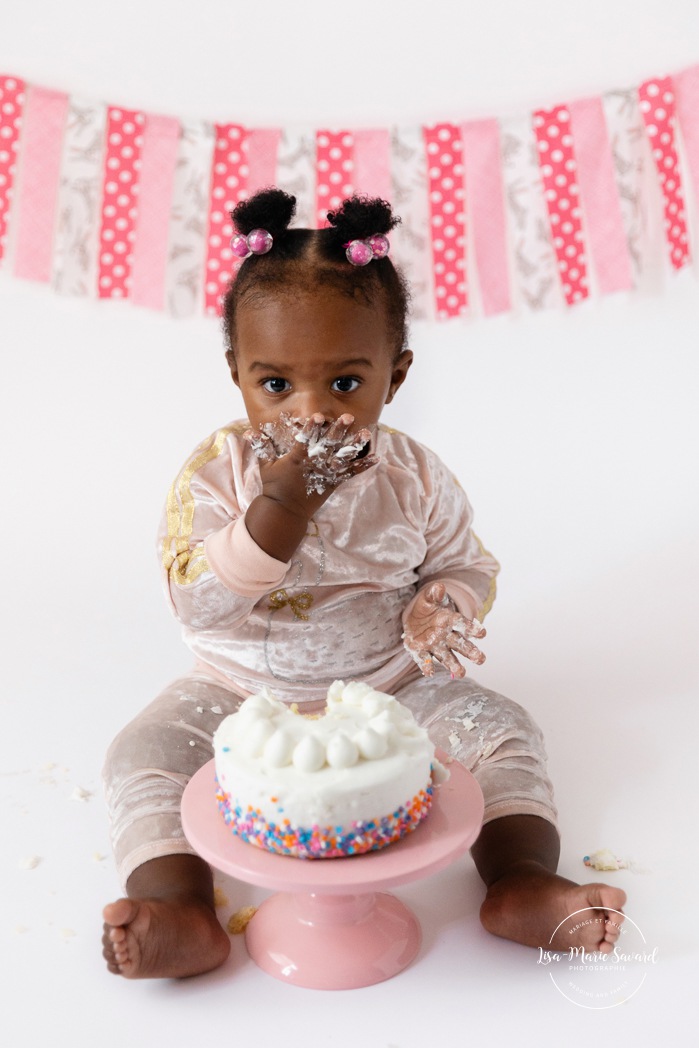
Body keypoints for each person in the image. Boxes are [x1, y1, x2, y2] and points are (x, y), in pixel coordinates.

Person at [102, 189, 626, 979]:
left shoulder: (413, 474)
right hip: (238, 685)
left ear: (395, 373)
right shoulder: (216, 473)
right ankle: (180, 904)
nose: (311, 411)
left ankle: (520, 883)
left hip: (391, 684)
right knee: (141, 753)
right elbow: (194, 596)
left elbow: (464, 561)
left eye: (345, 384)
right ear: (237, 376)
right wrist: (277, 509)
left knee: (505, 729)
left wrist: (438, 608)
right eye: (275, 385)